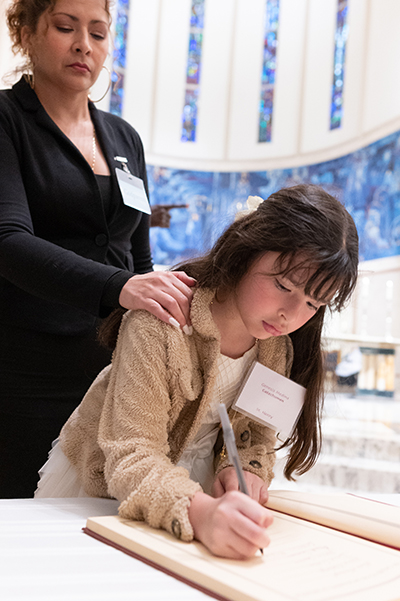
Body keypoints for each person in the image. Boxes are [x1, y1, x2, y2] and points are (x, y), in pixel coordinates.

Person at [35, 184, 359, 559]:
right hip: (105, 488)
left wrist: (250, 472)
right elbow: (131, 455)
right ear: (246, 251)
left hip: (191, 493)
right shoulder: (162, 323)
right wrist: (202, 514)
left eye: (313, 303)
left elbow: (257, 437)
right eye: (284, 285)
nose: (292, 314)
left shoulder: (276, 348)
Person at [0, 0, 194, 499]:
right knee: (24, 516)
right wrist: (121, 286)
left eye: (99, 33)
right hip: (25, 369)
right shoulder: (6, 120)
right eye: (65, 27)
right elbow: (9, 242)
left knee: (98, 518)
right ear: (26, 31)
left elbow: (140, 258)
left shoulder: (124, 138)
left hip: (112, 370)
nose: (84, 44)